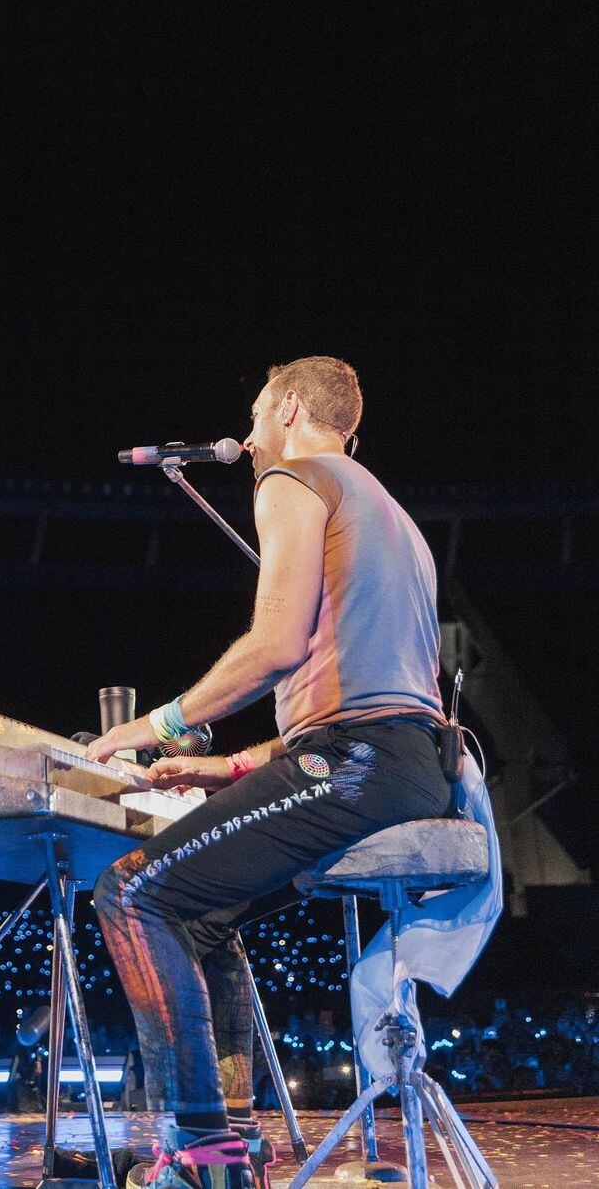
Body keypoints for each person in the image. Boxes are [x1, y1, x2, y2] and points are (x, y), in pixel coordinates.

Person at [85, 356, 453, 1189]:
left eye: (253, 413)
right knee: (201, 919)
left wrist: (156, 724)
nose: (247, 435)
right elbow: (367, 693)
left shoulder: (293, 473)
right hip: (401, 766)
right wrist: (228, 767)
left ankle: (203, 1158)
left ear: (288, 407)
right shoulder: (391, 514)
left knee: (131, 895)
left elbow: (277, 646)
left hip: (357, 765)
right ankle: (237, 1138)